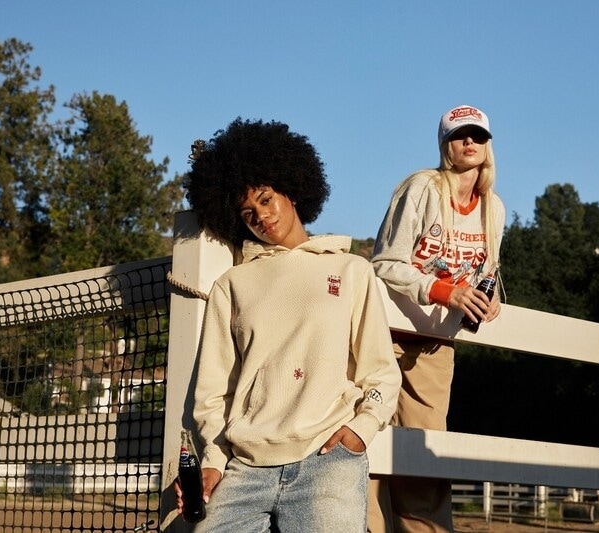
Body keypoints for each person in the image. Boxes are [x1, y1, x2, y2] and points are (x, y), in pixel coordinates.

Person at [177, 117, 402, 532]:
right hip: (245, 469)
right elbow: (213, 391)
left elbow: (381, 371)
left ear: (292, 190)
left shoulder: (350, 270)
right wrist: (213, 460)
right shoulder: (232, 284)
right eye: (247, 212)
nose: (260, 216)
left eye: (266, 199)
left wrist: (362, 427)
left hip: (327, 459)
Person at [368, 105, 505, 533]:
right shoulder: (422, 188)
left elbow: (485, 274)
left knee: (424, 461)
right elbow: (385, 264)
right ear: (445, 145)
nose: (470, 142)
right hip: (382, 336)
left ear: (488, 146)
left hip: (434, 346)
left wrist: (491, 298)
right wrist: (447, 292)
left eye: (478, 135)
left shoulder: (494, 209)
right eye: (460, 135)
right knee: (367, 452)